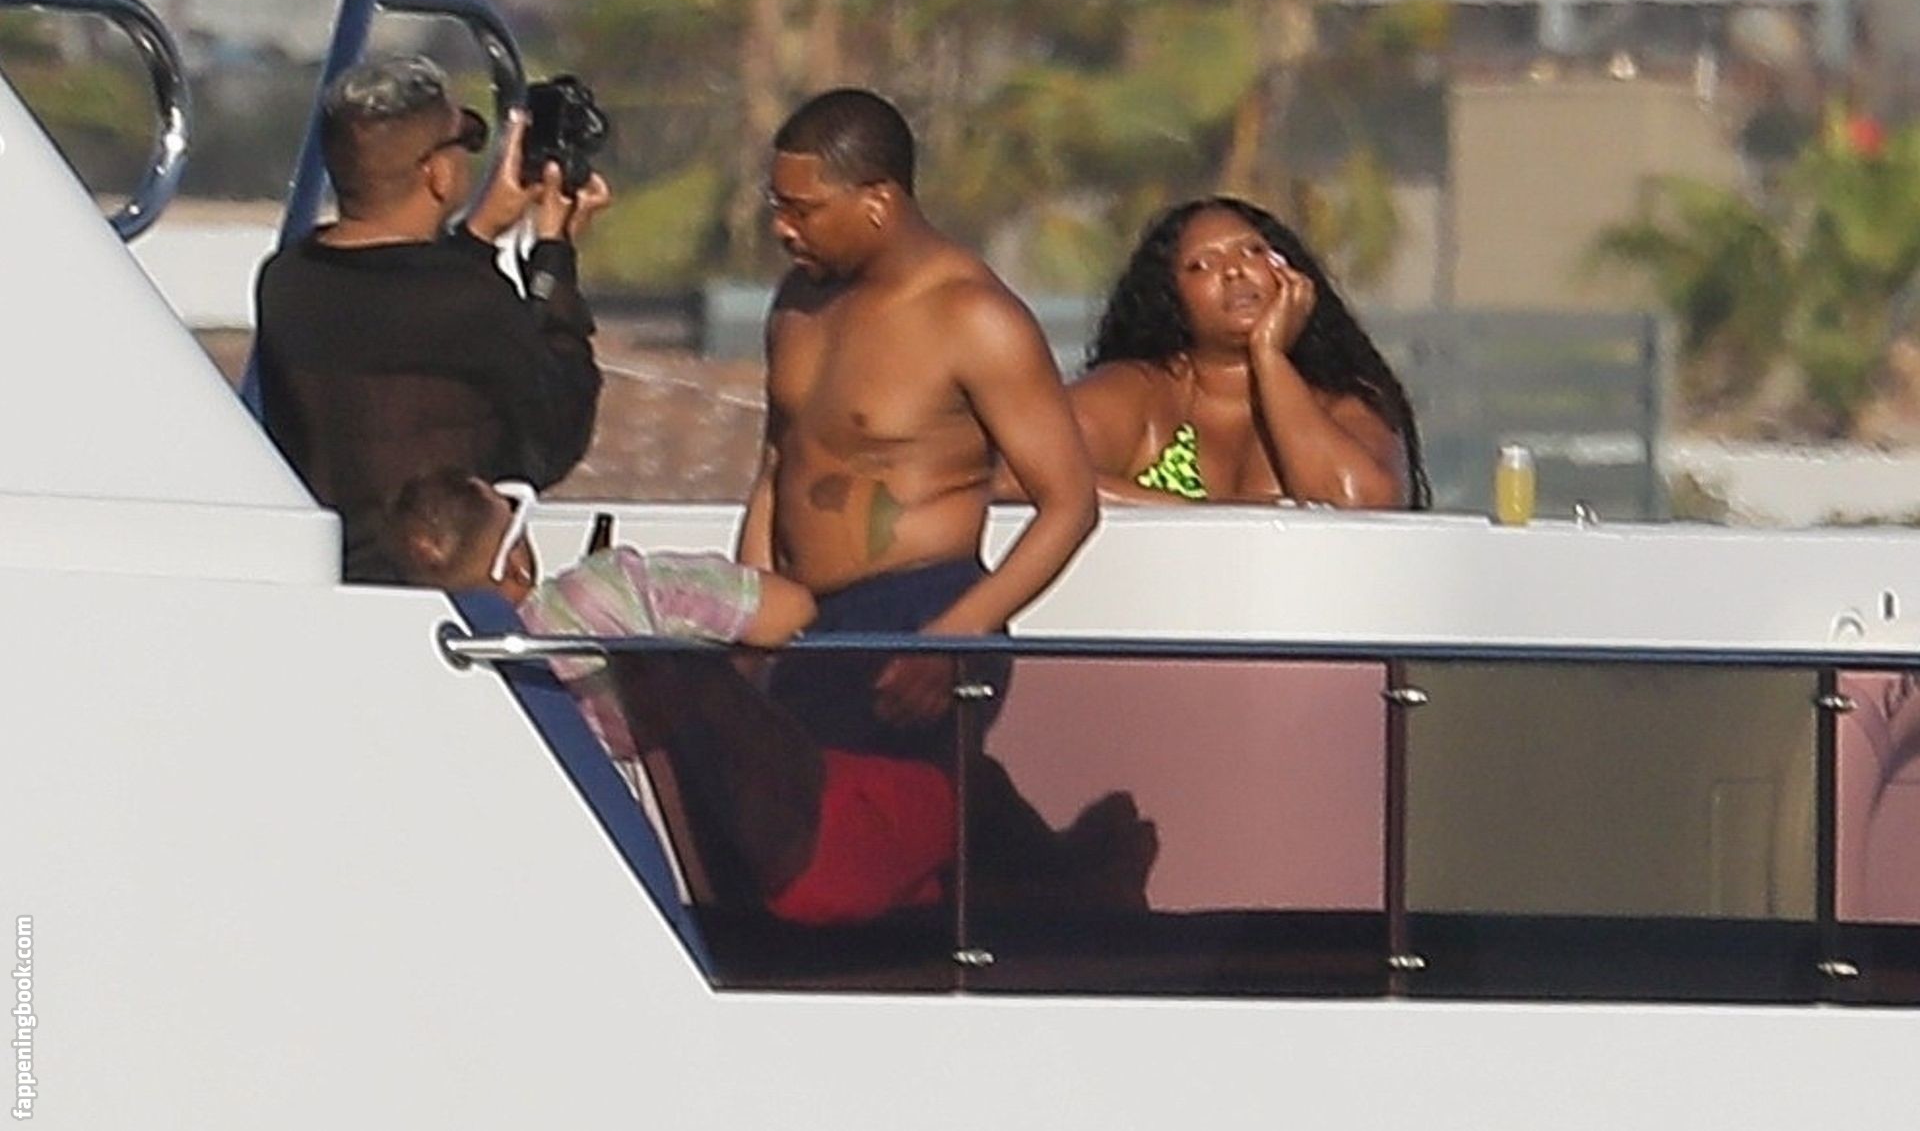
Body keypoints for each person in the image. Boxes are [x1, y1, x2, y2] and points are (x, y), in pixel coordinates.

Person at [385, 469, 959, 927]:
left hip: (653, 876)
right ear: (514, 560)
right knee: (971, 792)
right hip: (793, 857)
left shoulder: (439, 671)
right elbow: (790, 612)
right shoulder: (606, 593)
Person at [742, 87, 1098, 757]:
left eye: (803, 210)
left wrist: (956, 633)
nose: (783, 229)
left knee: (877, 812)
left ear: (877, 202)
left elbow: (1070, 504)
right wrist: (748, 613)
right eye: (777, 206)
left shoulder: (973, 316)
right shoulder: (796, 302)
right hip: (801, 620)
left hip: (919, 613)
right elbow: (777, 467)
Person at [254, 53, 609, 583]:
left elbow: (393, 304)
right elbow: (558, 432)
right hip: (444, 587)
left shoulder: (285, 282)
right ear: (436, 173)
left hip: (333, 578)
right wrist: (555, 251)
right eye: (464, 143)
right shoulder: (467, 302)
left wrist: (480, 233)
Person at [1035, 196, 1429, 509]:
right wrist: (1196, 517)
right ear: (1169, 298)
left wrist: (1270, 357)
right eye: (1201, 265)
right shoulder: (1140, 391)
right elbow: (1021, 473)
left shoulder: (1343, 404)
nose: (1233, 271)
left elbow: (1358, 503)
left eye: (1253, 251)